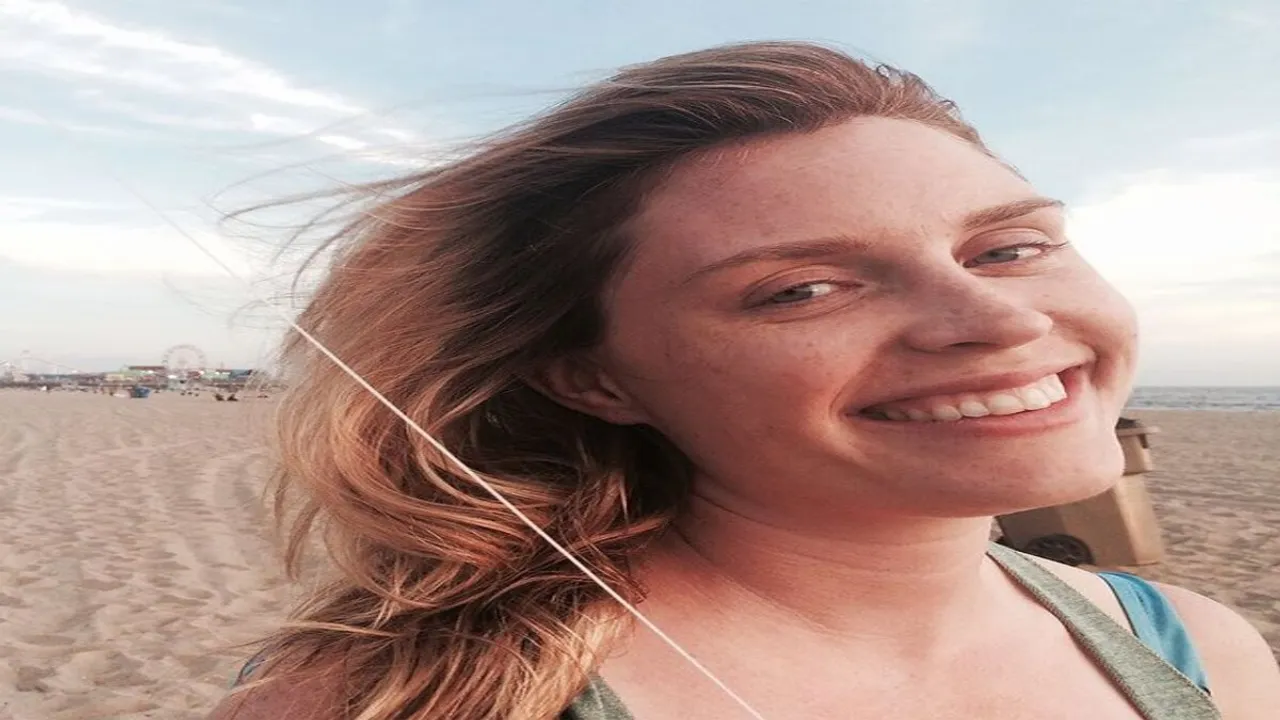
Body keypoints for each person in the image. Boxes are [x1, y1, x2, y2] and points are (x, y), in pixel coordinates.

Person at [208, 42, 1279, 720]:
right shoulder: (393, 702)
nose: (1001, 321)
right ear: (592, 379)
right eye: (801, 290)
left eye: (1007, 249)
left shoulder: (1200, 654)